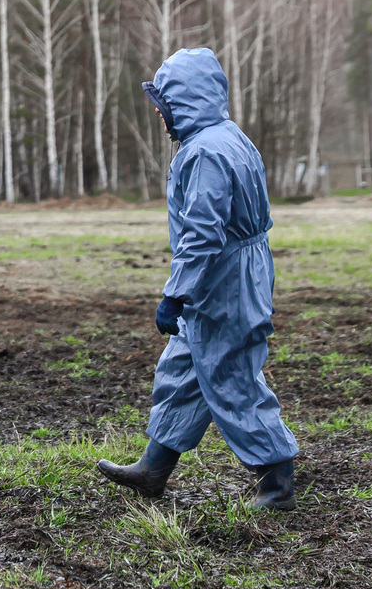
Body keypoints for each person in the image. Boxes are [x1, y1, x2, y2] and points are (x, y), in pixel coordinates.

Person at [96, 48, 299, 510]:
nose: (158, 112)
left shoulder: (205, 152)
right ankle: (153, 469)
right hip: (232, 271)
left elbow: (203, 234)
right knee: (183, 367)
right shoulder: (228, 136)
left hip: (223, 278)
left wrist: (175, 293)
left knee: (231, 374)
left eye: (163, 102)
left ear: (185, 100)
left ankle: (277, 482)